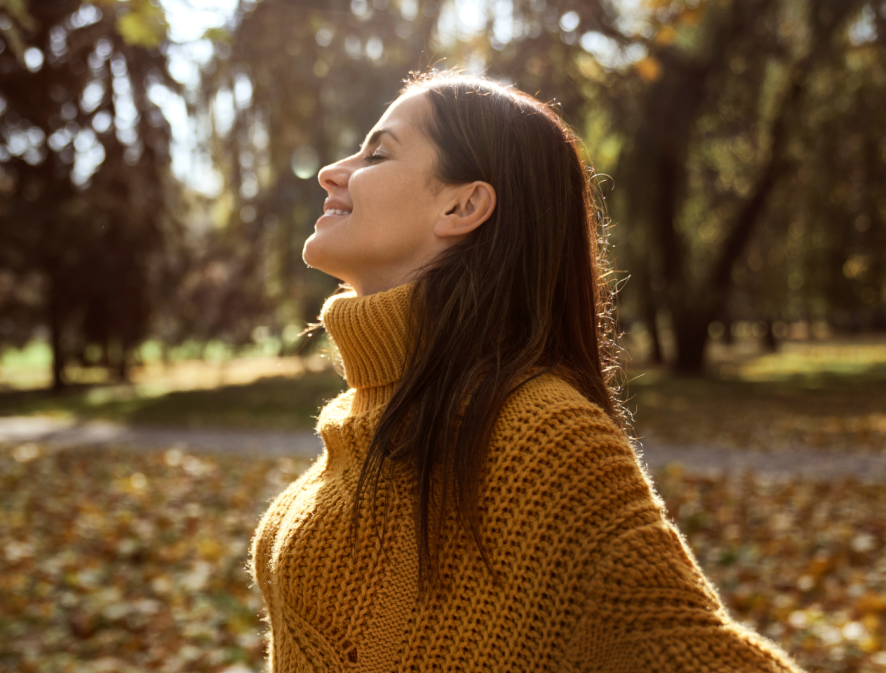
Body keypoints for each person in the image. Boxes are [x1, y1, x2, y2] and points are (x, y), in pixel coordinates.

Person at [247, 70, 803, 672]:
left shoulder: (546, 437)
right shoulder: (373, 411)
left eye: (377, 154)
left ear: (465, 205)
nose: (333, 171)